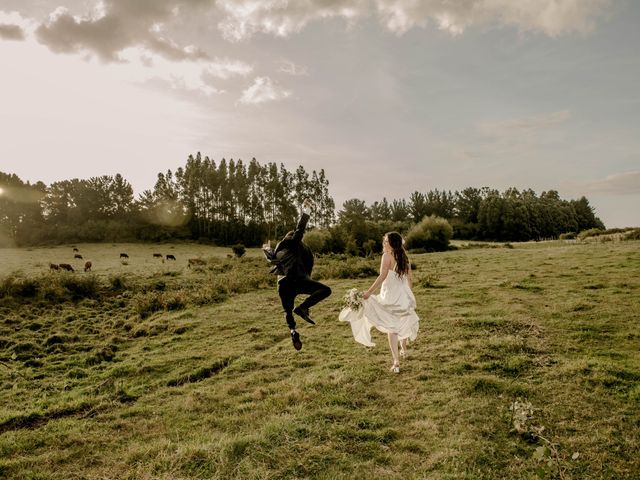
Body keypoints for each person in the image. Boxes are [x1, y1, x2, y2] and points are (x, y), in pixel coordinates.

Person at [339, 232, 419, 373]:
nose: (384, 243)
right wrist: (408, 294)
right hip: (403, 295)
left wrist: (369, 292)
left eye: (386, 241)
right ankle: (404, 350)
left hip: (390, 296)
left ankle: (396, 361)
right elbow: (410, 279)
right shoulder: (405, 259)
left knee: (392, 328)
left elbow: (382, 276)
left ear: (392, 244)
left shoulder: (387, 256)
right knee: (402, 321)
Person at [263, 199, 332, 350]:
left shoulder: (279, 251)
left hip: (282, 284)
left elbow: (269, 256)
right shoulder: (295, 245)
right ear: (293, 237)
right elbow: (300, 228)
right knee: (326, 290)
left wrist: (266, 248)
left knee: (287, 310)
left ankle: (293, 331)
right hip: (298, 280)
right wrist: (306, 210)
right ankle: (302, 307)